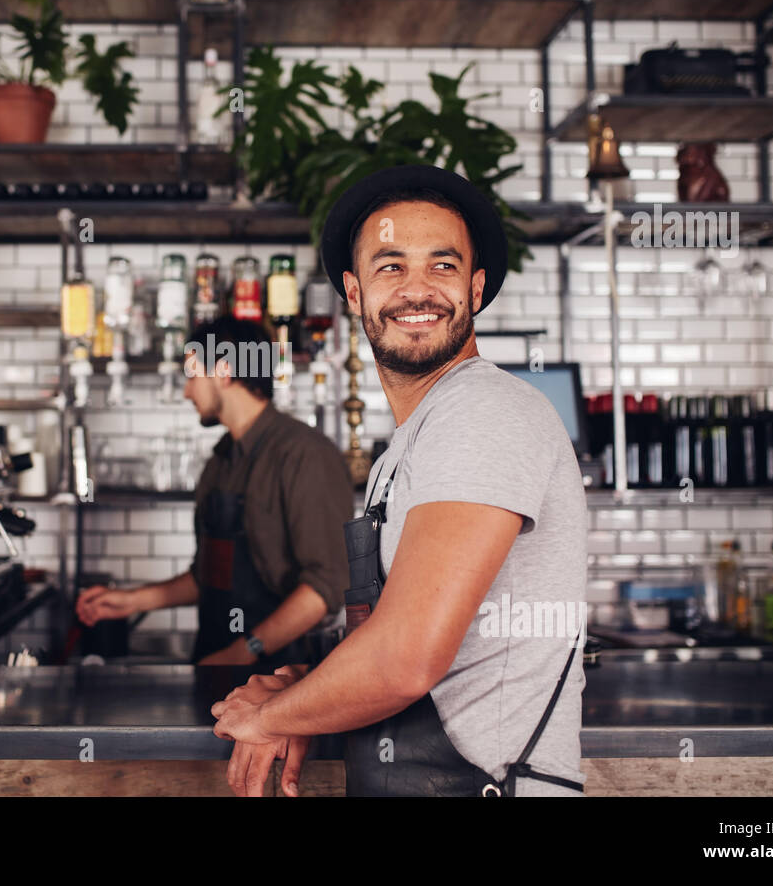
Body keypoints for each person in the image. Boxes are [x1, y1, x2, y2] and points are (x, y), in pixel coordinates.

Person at [212, 165, 589, 796]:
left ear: (475, 287)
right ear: (355, 294)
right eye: (391, 266)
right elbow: (384, 638)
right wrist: (305, 689)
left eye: (442, 266)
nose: (418, 289)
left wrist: (270, 717)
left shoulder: (484, 410)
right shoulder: (406, 447)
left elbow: (407, 658)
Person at [76, 315, 354, 671]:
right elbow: (209, 576)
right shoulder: (221, 460)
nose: (186, 391)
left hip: (283, 675)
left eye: (192, 375)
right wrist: (131, 602)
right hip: (216, 663)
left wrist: (244, 651)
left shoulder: (305, 454)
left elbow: (325, 587)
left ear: (223, 371)